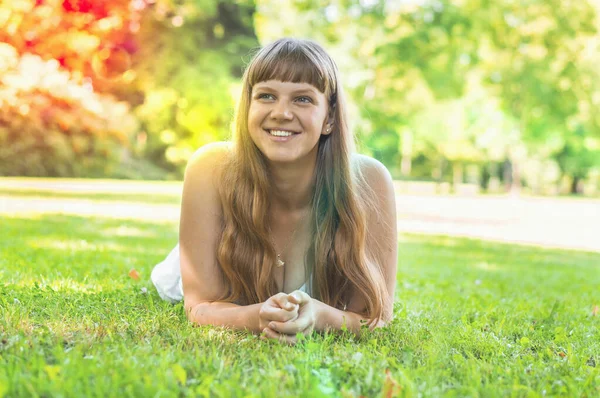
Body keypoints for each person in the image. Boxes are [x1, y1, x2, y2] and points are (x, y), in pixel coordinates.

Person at [151, 37, 397, 345]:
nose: (281, 112)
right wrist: (257, 317)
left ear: (330, 119)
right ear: (248, 106)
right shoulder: (210, 168)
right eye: (266, 96)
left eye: (302, 99)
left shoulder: (368, 181)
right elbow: (200, 306)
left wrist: (319, 315)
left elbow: (375, 319)